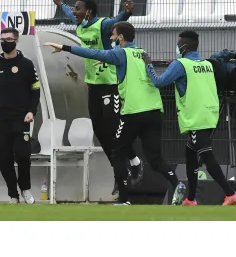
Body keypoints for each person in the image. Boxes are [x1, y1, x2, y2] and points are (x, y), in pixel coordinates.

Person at [44, 21, 187, 206]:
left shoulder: (121, 53)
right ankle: (177, 183)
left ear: (120, 36)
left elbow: (93, 52)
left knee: (117, 152)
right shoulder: (142, 53)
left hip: (134, 112)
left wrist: (64, 47)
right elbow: (128, 68)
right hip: (154, 112)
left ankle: (124, 198)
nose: (111, 38)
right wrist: (107, 60)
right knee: (155, 158)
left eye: (113, 35)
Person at [53, 0, 142, 195]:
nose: (74, 12)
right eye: (74, 9)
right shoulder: (80, 25)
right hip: (93, 86)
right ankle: (120, 173)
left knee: (113, 129)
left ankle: (135, 163)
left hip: (110, 85)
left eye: (78, 9)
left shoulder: (102, 25)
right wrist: (60, 5)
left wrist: (126, 12)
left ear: (89, 12)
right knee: (100, 132)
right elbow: (68, 12)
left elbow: (115, 21)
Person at [143, 31, 236, 206]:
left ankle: (230, 194)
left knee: (206, 156)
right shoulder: (207, 63)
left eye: (178, 46)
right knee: (191, 155)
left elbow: (158, 82)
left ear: (184, 48)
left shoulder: (181, 64)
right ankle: (191, 199)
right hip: (210, 113)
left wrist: (148, 64)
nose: (177, 48)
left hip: (196, 116)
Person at [0, 28, 40, 204]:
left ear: (16, 41)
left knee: (22, 155)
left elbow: (35, 90)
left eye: (9, 39)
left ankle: (25, 189)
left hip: (21, 118)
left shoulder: (27, 64)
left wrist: (31, 111)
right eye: (3, 39)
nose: (5, 42)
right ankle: (13, 194)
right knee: (3, 157)